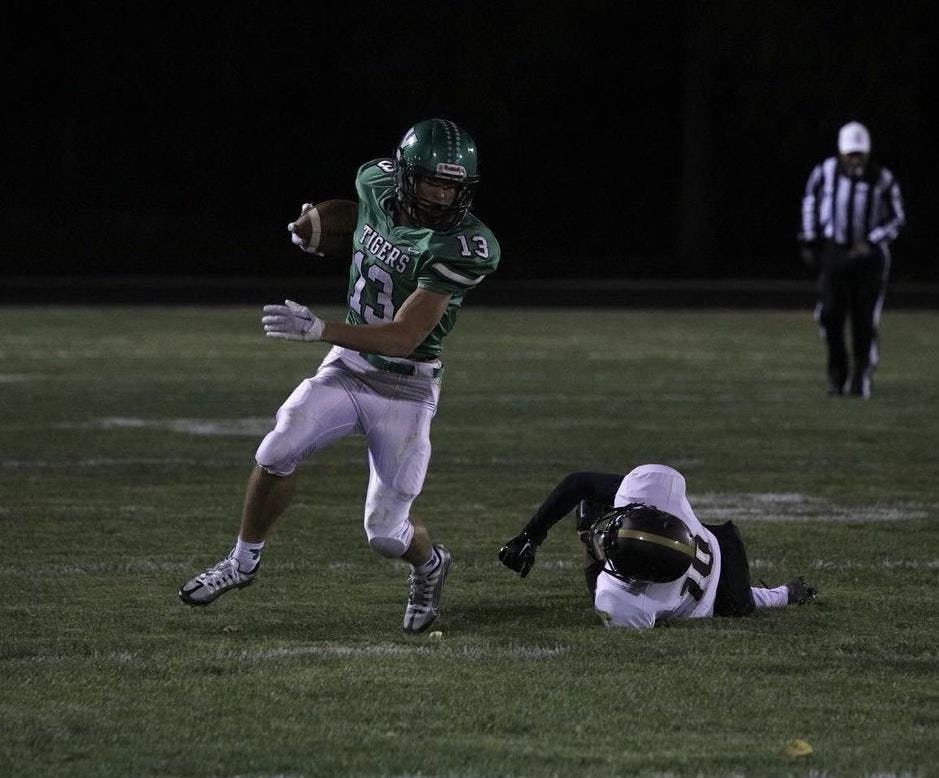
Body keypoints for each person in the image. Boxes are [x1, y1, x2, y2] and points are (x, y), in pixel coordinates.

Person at [179, 118, 500, 634]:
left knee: (384, 532)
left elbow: (402, 336)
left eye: (452, 187)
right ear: (403, 177)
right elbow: (363, 215)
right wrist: (318, 227)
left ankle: (430, 564)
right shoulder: (375, 179)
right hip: (350, 368)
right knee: (279, 443)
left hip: (407, 385)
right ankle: (243, 560)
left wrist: (322, 329)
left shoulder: (465, 246)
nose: (441, 197)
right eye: (431, 183)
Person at [499, 464, 817, 629]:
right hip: (724, 550)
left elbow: (579, 485)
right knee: (591, 500)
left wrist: (538, 536)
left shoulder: (622, 601)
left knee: (588, 512)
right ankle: (787, 593)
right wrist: (530, 535)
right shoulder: (659, 493)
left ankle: (785, 594)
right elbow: (579, 482)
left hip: (726, 596)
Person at [798, 121, 905, 398]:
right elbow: (810, 201)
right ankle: (837, 377)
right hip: (836, 251)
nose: (855, 159)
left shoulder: (883, 178)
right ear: (841, 153)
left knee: (863, 322)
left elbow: (897, 218)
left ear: (867, 153)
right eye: (850, 154)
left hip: (870, 259)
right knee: (830, 316)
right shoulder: (825, 171)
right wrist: (810, 238)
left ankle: (861, 380)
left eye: (860, 153)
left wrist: (870, 240)